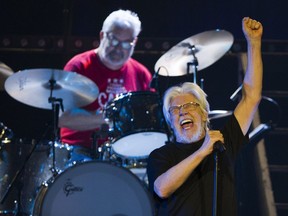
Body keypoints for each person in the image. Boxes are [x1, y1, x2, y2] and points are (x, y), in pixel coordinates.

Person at [147, 17, 263, 216]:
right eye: (175, 110)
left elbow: (251, 97)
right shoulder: (162, 156)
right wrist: (202, 151)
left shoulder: (223, 143)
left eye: (190, 105)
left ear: (204, 113)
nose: (183, 111)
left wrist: (254, 43)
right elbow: (162, 188)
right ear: (170, 123)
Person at [58, 9, 152, 162]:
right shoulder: (79, 66)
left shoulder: (141, 73)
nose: (119, 48)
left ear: (134, 42)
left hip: (125, 154)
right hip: (79, 151)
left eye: (126, 44)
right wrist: (108, 118)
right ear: (102, 36)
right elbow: (64, 118)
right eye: (114, 40)